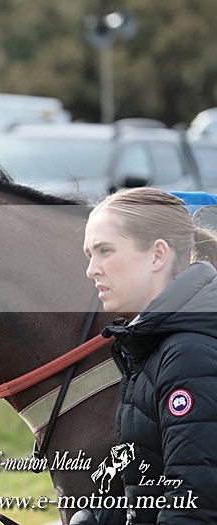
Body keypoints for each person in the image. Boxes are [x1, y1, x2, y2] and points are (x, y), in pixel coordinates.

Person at [74, 187, 217, 524]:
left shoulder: (188, 355)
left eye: (105, 251)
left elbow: (195, 510)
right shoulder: (154, 343)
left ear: (157, 255)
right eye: (89, 255)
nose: (91, 269)